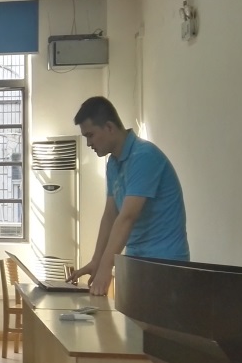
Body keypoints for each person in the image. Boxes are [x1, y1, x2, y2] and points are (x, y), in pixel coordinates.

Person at [67, 97, 189, 295]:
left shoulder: (144, 156)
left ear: (109, 127)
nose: (88, 143)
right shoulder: (113, 164)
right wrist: (96, 261)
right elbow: (110, 215)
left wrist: (106, 267)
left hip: (166, 264)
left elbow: (127, 217)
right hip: (136, 261)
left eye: (90, 135)